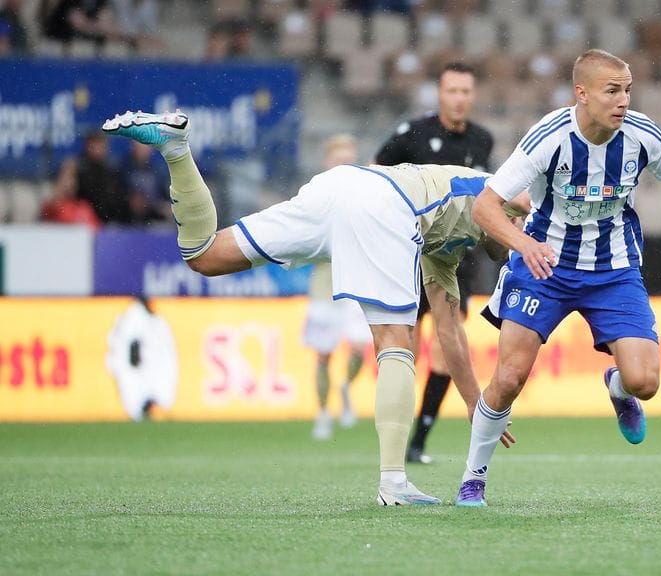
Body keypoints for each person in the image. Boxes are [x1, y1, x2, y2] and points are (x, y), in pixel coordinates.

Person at [103, 109, 518, 506]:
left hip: (339, 189)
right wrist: (540, 242)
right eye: (515, 228)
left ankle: (176, 149)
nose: (516, 235)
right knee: (396, 340)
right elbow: (529, 203)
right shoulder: (489, 190)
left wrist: (474, 404)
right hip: (383, 202)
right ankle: (394, 482)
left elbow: (450, 332)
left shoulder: (450, 249)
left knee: (206, 255)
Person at [453, 49, 661, 507]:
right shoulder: (548, 138)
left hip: (613, 269)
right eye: (612, 91)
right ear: (582, 93)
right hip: (545, 266)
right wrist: (525, 245)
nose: (623, 101)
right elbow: (485, 206)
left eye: (628, 90)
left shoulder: (641, 135)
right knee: (511, 376)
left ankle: (617, 387)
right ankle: (473, 478)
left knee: (645, 383)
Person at [375, 61, 494, 465]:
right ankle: (395, 436)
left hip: (457, 259)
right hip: (409, 256)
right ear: (439, 95)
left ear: (473, 96)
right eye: (452, 91)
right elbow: (377, 174)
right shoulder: (414, 134)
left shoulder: (483, 140)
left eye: (465, 91)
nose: (459, 98)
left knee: (446, 349)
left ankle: (419, 441)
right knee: (403, 348)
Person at [306, 135, 372, 440]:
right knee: (323, 354)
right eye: (339, 160)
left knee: (359, 347)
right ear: (327, 163)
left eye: (350, 160)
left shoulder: (366, 195)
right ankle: (322, 413)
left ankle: (345, 387)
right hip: (325, 282)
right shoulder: (315, 195)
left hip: (357, 280)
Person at [77, 129, 127, 224]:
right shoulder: (79, 168)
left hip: (109, 221)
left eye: (101, 144)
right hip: (84, 220)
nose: (98, 149)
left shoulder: (112, 170)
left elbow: (117, 198)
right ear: (87, 146)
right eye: (94, 144)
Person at [39, 157, 101, 230]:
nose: (71, 183)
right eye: (67, 178)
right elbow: (48, 212)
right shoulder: (54, 205)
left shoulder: (85, 207)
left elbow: (97, 232)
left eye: (73, 178)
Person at [120, 140, 170, 224]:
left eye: (145, 146)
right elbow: (119, 192)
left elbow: (164, 195)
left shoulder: (157, 169)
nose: (142, 149)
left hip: (154, 213)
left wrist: (164, 206)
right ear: (133, 146)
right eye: (139, 145)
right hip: (128, 214)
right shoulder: (124, 168)